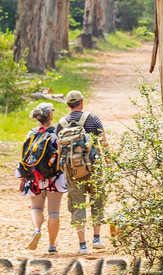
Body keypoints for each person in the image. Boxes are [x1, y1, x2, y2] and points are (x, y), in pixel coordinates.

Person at [59, 90, 108, 252]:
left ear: (68, 105)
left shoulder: (61, 123)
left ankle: (82, 245)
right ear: (82, 102)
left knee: (77, 203)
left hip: (72, 170)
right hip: (93, 167)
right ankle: (96, 238)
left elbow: (59, 148)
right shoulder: (93, 118)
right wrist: (107, 160)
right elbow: (103, 140)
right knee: (97, 199)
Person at [19, 102, 67, 253]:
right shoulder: (57, 133)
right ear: (50, 115)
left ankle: (36, 230)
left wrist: (22, 179)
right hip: (55, 179)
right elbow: (62, 157)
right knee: (54, 212)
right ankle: (52, 245)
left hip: (34, 178)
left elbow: (24, 157)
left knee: (36, 208)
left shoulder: (31, 134)